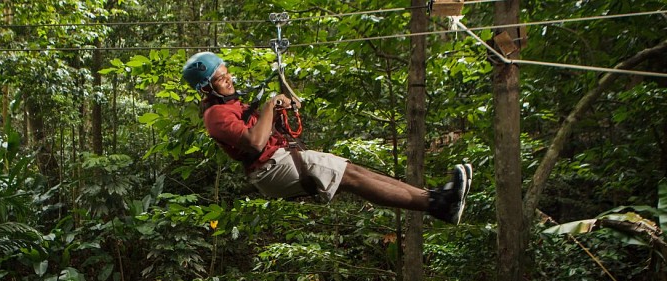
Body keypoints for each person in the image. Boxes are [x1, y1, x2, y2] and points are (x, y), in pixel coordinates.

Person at [182, 52, 472, 224]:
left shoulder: (233, 105)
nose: (229, 79)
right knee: (354, 178)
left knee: (356, 173)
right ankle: (438, 205)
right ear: (206, 88)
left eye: (227, 73)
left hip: (279, 162)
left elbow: (268, 126)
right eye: (221, 78)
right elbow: (256, 142)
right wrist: (271, 105)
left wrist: (283, 106)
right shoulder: (216, 115)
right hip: (271, 168)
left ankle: (436, 199)